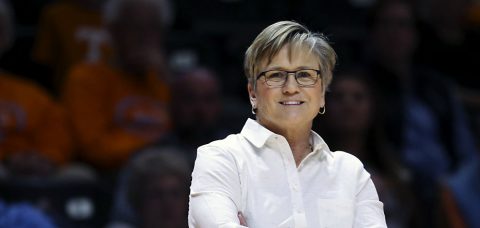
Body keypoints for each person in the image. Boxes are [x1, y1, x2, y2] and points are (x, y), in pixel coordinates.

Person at [188, 21, 386, 227]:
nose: (291, 88)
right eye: (275, 75)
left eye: (305, 75)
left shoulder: (351, 172)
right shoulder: (221, 158)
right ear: (253, 93)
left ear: (322, 95)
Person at [365, 0, 479, 226]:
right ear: (373, 32)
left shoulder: (437, 86)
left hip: (447, 187)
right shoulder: (360, 88)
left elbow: (463, 149)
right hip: (391, 186)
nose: (394, 33)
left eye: (402, 24)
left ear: (415, 34)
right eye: (386, 24)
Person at [62, 0, 172, 172]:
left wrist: (168, 80)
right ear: (113, 31)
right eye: (134, 27)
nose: (143, 37)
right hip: (114, 173)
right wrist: (151, 148)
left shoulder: (165, 80)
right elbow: (93, 147)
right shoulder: (86, 77)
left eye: (153, 28)